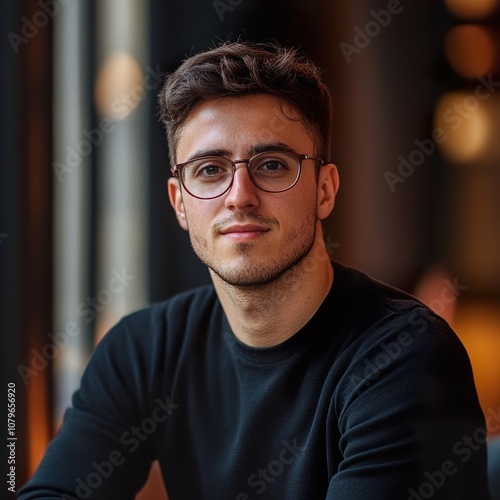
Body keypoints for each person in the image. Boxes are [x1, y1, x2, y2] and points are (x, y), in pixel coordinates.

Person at [19, 40, 491, 499]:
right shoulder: (142, 350)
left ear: (325, 191)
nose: (239, 195)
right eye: (209, 169)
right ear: (179, 203)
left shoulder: (405, 359)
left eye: (271, 165)